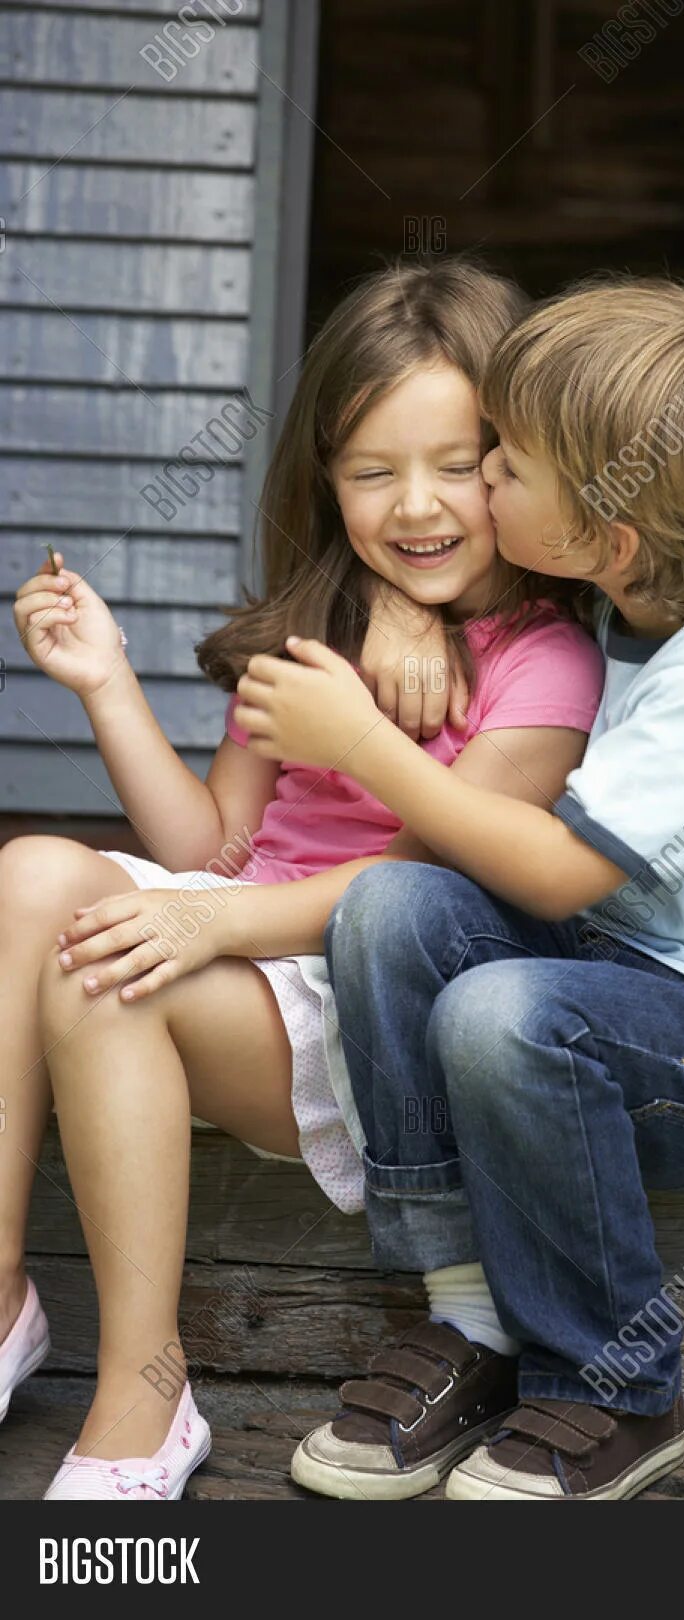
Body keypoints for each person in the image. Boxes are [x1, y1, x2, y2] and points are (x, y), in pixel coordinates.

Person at [235, 277, 684, 1501]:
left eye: (505, 467)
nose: (478, 489)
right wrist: (393, 606)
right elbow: (463, 584)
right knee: (389, 908)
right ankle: (469, 1311)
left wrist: (366, 747)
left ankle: (614, 1387)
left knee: (503, 1012)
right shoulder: (626, 595)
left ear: (607, 534)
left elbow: (549, 866)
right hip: (626, 980)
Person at [0, 259, 604, 1501]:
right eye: (372, 472)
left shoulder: (544, 665)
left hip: (360, 1002)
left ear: (515, 463)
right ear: (325, 480)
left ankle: (144, 1394)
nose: (416, 505)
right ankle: (3, 1298)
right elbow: (213, 846)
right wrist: (108, 684)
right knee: (27, 877)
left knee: (108, 976)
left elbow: (423, 889)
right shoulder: (311, 633)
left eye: (453, 465)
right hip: (242, 942)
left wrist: (203, 922)